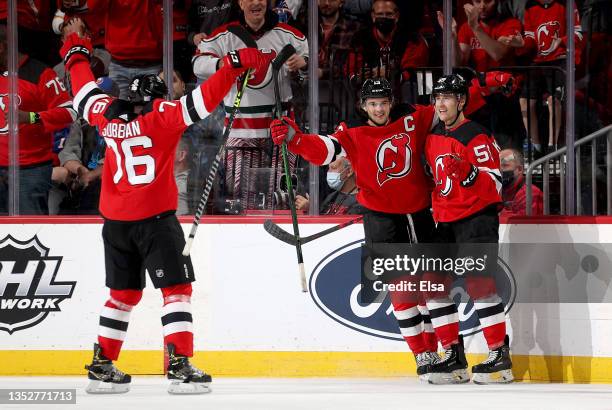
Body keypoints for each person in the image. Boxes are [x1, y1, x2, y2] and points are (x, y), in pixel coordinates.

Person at [59, 31, 269, 394]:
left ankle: (102, 365)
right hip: (155, 221)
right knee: (176, 290)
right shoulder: (162, 118)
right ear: (155, 99)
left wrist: (75, 52)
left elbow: (82, 90)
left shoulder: (105, 115)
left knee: (121, 294)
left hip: (114, 224)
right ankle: (179, 364)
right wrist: (233, 66)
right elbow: (202, 102)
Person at [270, 73, 513, 381]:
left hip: (423, 213)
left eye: (383, 103)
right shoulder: (353, 131)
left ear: (392, 103)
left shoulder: (416, 115)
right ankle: (424, 353)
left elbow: (458, 100)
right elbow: (325, 150)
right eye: (373, 104)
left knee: (432, 286)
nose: (379, 110)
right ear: (363, 105)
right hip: (382, 219)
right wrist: (296, 140)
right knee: (402, 288)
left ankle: (452, 353)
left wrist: (490, 80)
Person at [423, 74, 513, 384]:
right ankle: (453, 357)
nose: (441, 103)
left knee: (479, 286)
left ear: (461, 101)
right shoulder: (432, 137)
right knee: (433, 286)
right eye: (437, 97)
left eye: (447, 97)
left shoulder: (477, 136)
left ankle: (499, 357)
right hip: (444, 221)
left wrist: (470, 172)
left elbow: (496, 185)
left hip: (476, 219)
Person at [193, 0, 309, 206]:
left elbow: (313, 66)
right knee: (242, 199)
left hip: (281, 130)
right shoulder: (224, 35)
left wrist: (304, 64)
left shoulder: (290, 35)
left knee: (284, 197)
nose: (256, 2)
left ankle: (282, 235)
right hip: (240, 132)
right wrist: (224, 63)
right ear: (240, 2)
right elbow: (198, 64)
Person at [0, 24, 76, 215]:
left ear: (1, 47)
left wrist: (32, 117)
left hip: (30, 170)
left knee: (28, 232)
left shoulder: (40, 73)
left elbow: (70, 112)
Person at [294, 157, 363, 215]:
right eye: (329, 169)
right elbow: (323, 216)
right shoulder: (332, 196)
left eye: (333, 168)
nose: (329, 172)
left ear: (349, 171)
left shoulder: (361, 202)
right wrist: (310, 208)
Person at [499, 148, 543, 217]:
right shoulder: (498, 189)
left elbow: (521, 224)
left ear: (520, 169)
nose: (499, 169)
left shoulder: (531, 193)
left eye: (505, 165)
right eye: (497, 165)